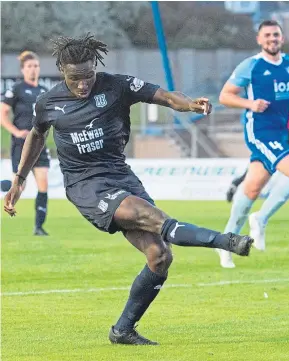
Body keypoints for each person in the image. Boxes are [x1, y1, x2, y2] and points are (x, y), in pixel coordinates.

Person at [3, 34, 254, 346]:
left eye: (88, 76)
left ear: (96, 67)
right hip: (86, 185)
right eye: (75, 79)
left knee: (159, 255)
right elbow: (36, 136)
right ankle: (225, 241)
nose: (83, 85)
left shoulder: (117, 85)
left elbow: (163, 96)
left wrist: (188, 103)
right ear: (62, 72)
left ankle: (122, 330)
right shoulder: (48, 103)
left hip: (121, 175)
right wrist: (19, 180)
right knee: (148, 214)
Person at [217, 20, 289, 268]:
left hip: (281, 132)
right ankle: (261, 218)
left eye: (276, 35)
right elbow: (225, 96)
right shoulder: (251, 66)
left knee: (251, 190)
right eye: (267, 35)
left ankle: (226, 242)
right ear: (259, 39)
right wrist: (251, 104)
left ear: (282, 38)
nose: (272, 39)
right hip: (259, 131)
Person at [226, 103, 289, 219]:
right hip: (274, 134)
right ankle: (236, 183)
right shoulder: (271, 98)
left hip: (286, 132)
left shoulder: (285, 96)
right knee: (260, 166)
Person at [0, 51, 50, 236]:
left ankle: (39, 226)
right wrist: (16, 132)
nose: (33, 69)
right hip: (22, 144)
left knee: (43, 183)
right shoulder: (17, 89)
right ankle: (7, 199)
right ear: (23, 69)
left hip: (40, 144)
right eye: (29, 66)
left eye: (36, 66)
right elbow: (2, 113)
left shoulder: (44, 91)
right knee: (21, 184)